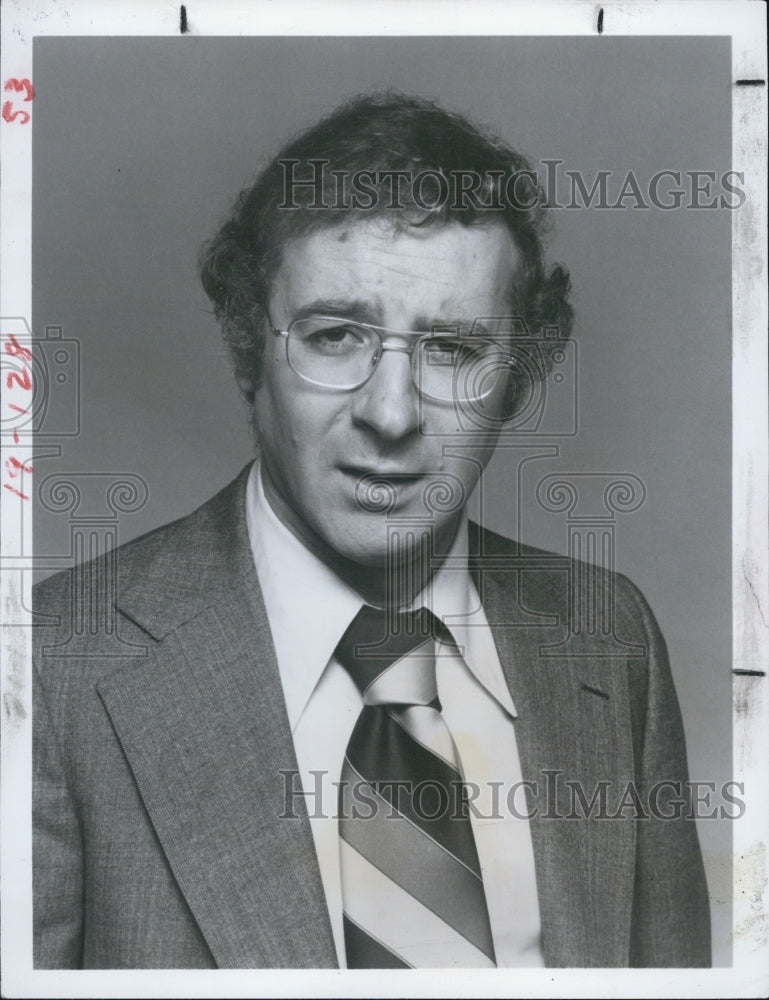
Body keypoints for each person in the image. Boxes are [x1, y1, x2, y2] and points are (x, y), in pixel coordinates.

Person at [32, 92, 711, 969]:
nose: (389, 413)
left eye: (452, 350)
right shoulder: (53, 665)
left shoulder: (605, 633)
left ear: (516, 379)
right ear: (250, 352)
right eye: (335, 336)